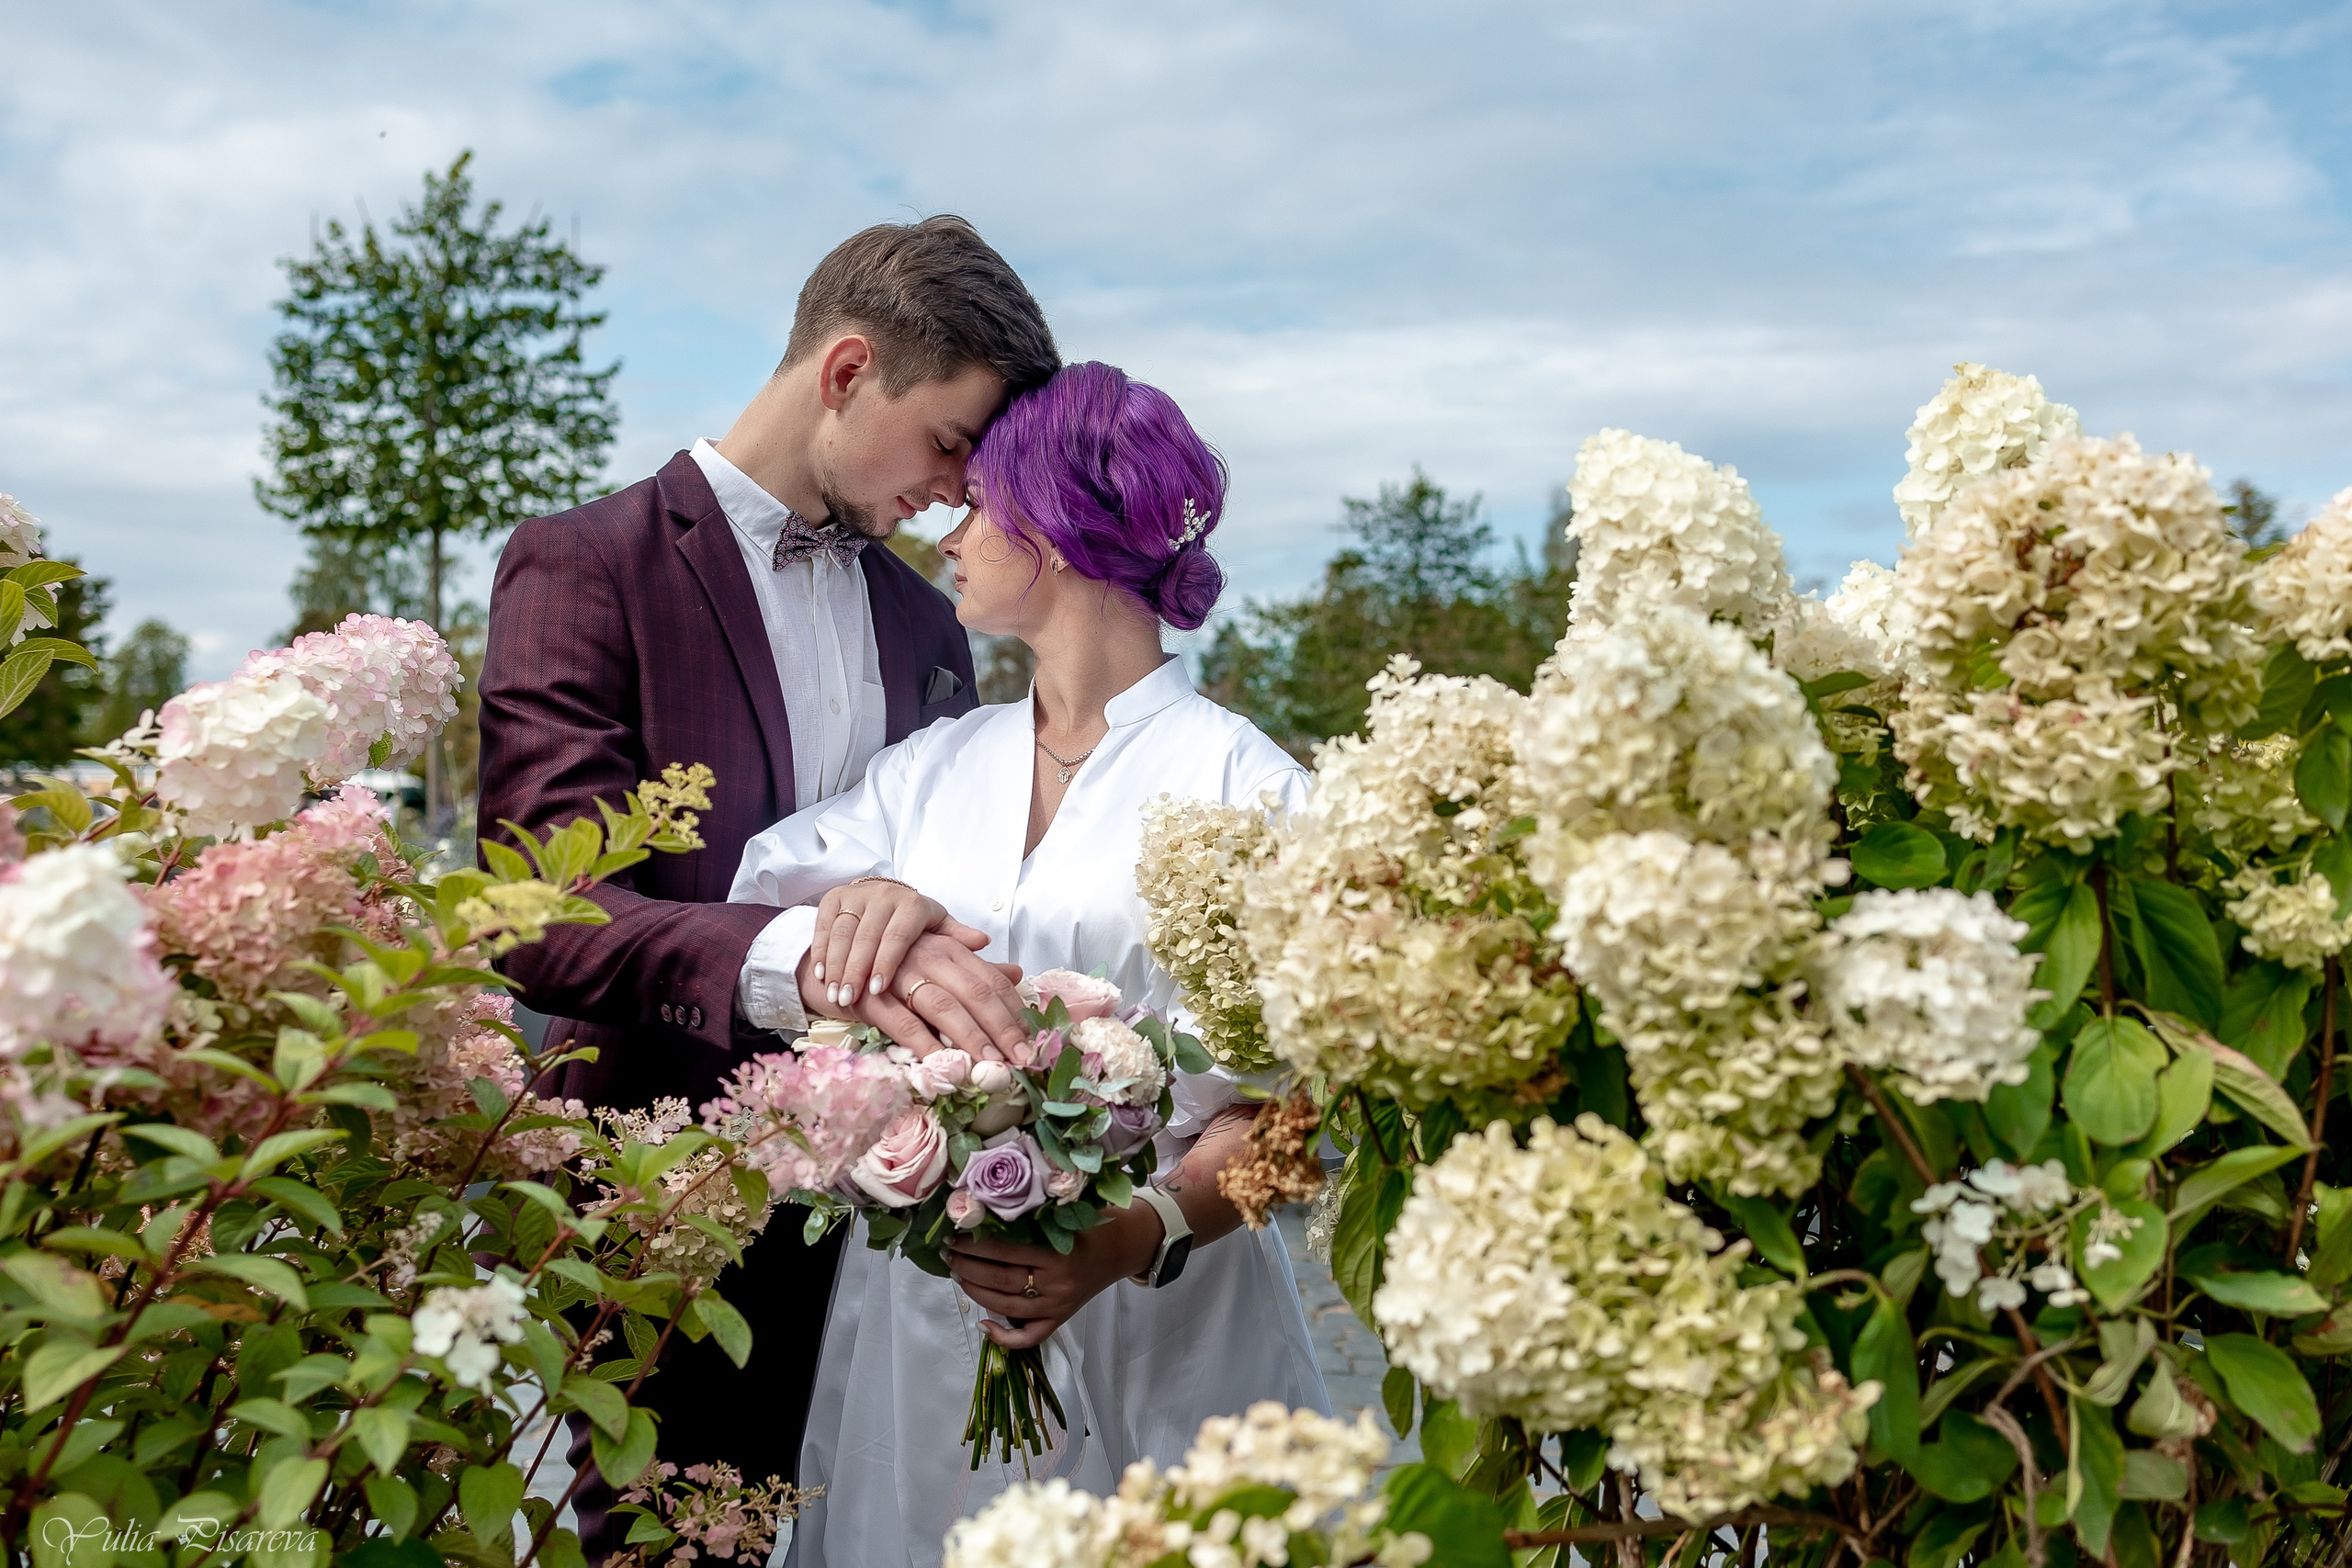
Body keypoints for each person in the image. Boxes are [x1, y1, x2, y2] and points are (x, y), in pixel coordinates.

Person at [475, 216, 1058, 1561]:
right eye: (950, 444)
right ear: (847, 371)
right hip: (656, 1191)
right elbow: (542, 917)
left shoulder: (927, 622)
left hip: (887, 1214)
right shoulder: (586, 562)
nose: (956, 499)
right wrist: (805, 963)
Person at [730, 362, 1329, 1568]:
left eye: (977, 510)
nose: (948, 538)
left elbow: (1308, 1111)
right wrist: (863, 905)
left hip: (1164, 1321)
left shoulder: (1252, 789)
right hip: (920, 1326)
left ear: (1052, 529)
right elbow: (758, 899)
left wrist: (1133, 1237)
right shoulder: (933, 768)